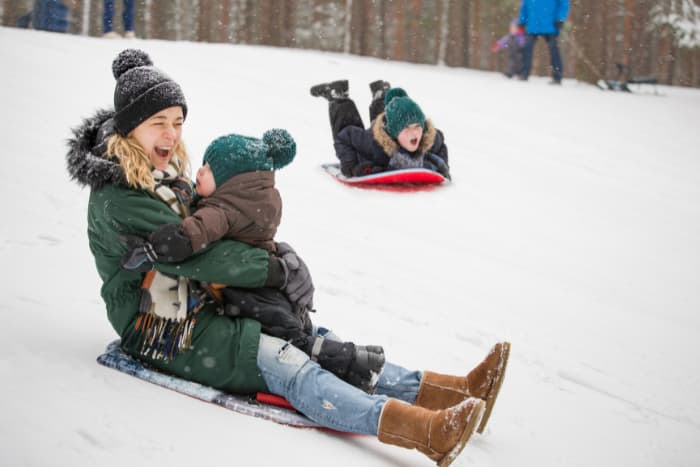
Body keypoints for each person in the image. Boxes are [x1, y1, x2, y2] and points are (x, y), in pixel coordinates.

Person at [66, 48, 510, 466]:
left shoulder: (166, 173)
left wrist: (279, 256)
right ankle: (425, 431)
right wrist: (273, 268)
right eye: (157, 122)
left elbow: (218, 228)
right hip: (161, 328)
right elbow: (195, 258)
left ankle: (454, 391)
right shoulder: (118, 199)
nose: (171, 134)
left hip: (215, 300)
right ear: (129, 129)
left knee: (321, 343)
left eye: (178, 121)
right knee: (288, 361)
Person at [120, 129, 387, 393]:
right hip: (267, 287)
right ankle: (358, 359)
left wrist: (155, 248)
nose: (199, 172)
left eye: (209, 169)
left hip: (247, 291)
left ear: (229, 182)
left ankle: (356, 366)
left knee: (294, 343)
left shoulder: (221, 211)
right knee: (299, 333)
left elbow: (193, 233)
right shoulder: (256, 198)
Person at [310, 80, 450, 179]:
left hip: (389, 128)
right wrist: (350, 166)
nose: (414, 133)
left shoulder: (427, 140)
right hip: (377, 141)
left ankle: (381, 94)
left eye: (418, 127)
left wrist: (443, 166)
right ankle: (338, 96)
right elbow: (344, 137)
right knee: (346, 125)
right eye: (407, 129)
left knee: (393, 114)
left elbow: (440, 143)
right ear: (394, 133)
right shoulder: (372, 144)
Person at [518, 0, 570, 84]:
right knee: (526, 48)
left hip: (550, 25)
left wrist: (560, 18)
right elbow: (524, 6)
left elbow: (563, 4)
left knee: (554, 51)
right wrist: (521, 20)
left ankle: (557, 77)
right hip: (533, 24)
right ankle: (524, 73)